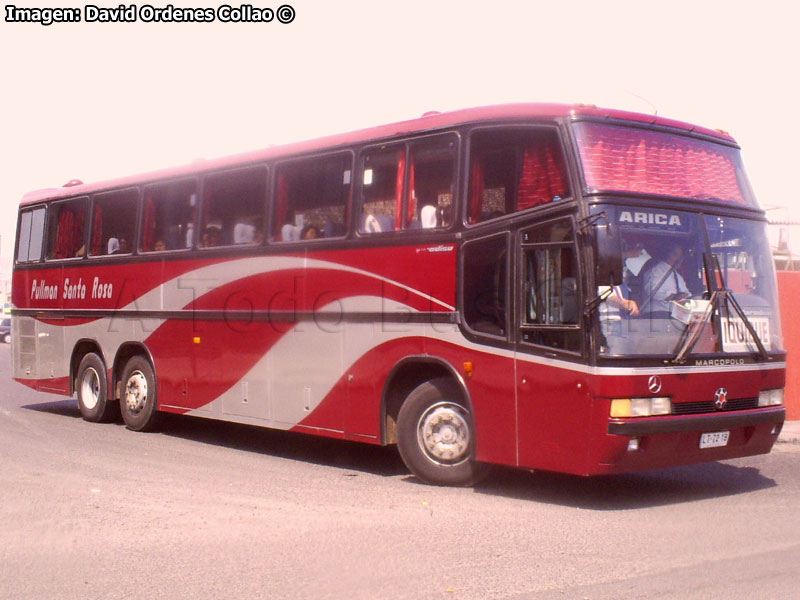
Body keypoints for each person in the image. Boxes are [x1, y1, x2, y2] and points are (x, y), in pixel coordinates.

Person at [642, 241, 690, 316]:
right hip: (656, 314)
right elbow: (653, 292)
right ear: (669, 254)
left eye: (681, 256)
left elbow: (686, 294)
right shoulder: (656, 271)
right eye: (677, 255)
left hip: (674, 315)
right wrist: (673, 296)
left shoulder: (678, 276)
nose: (680, 260)